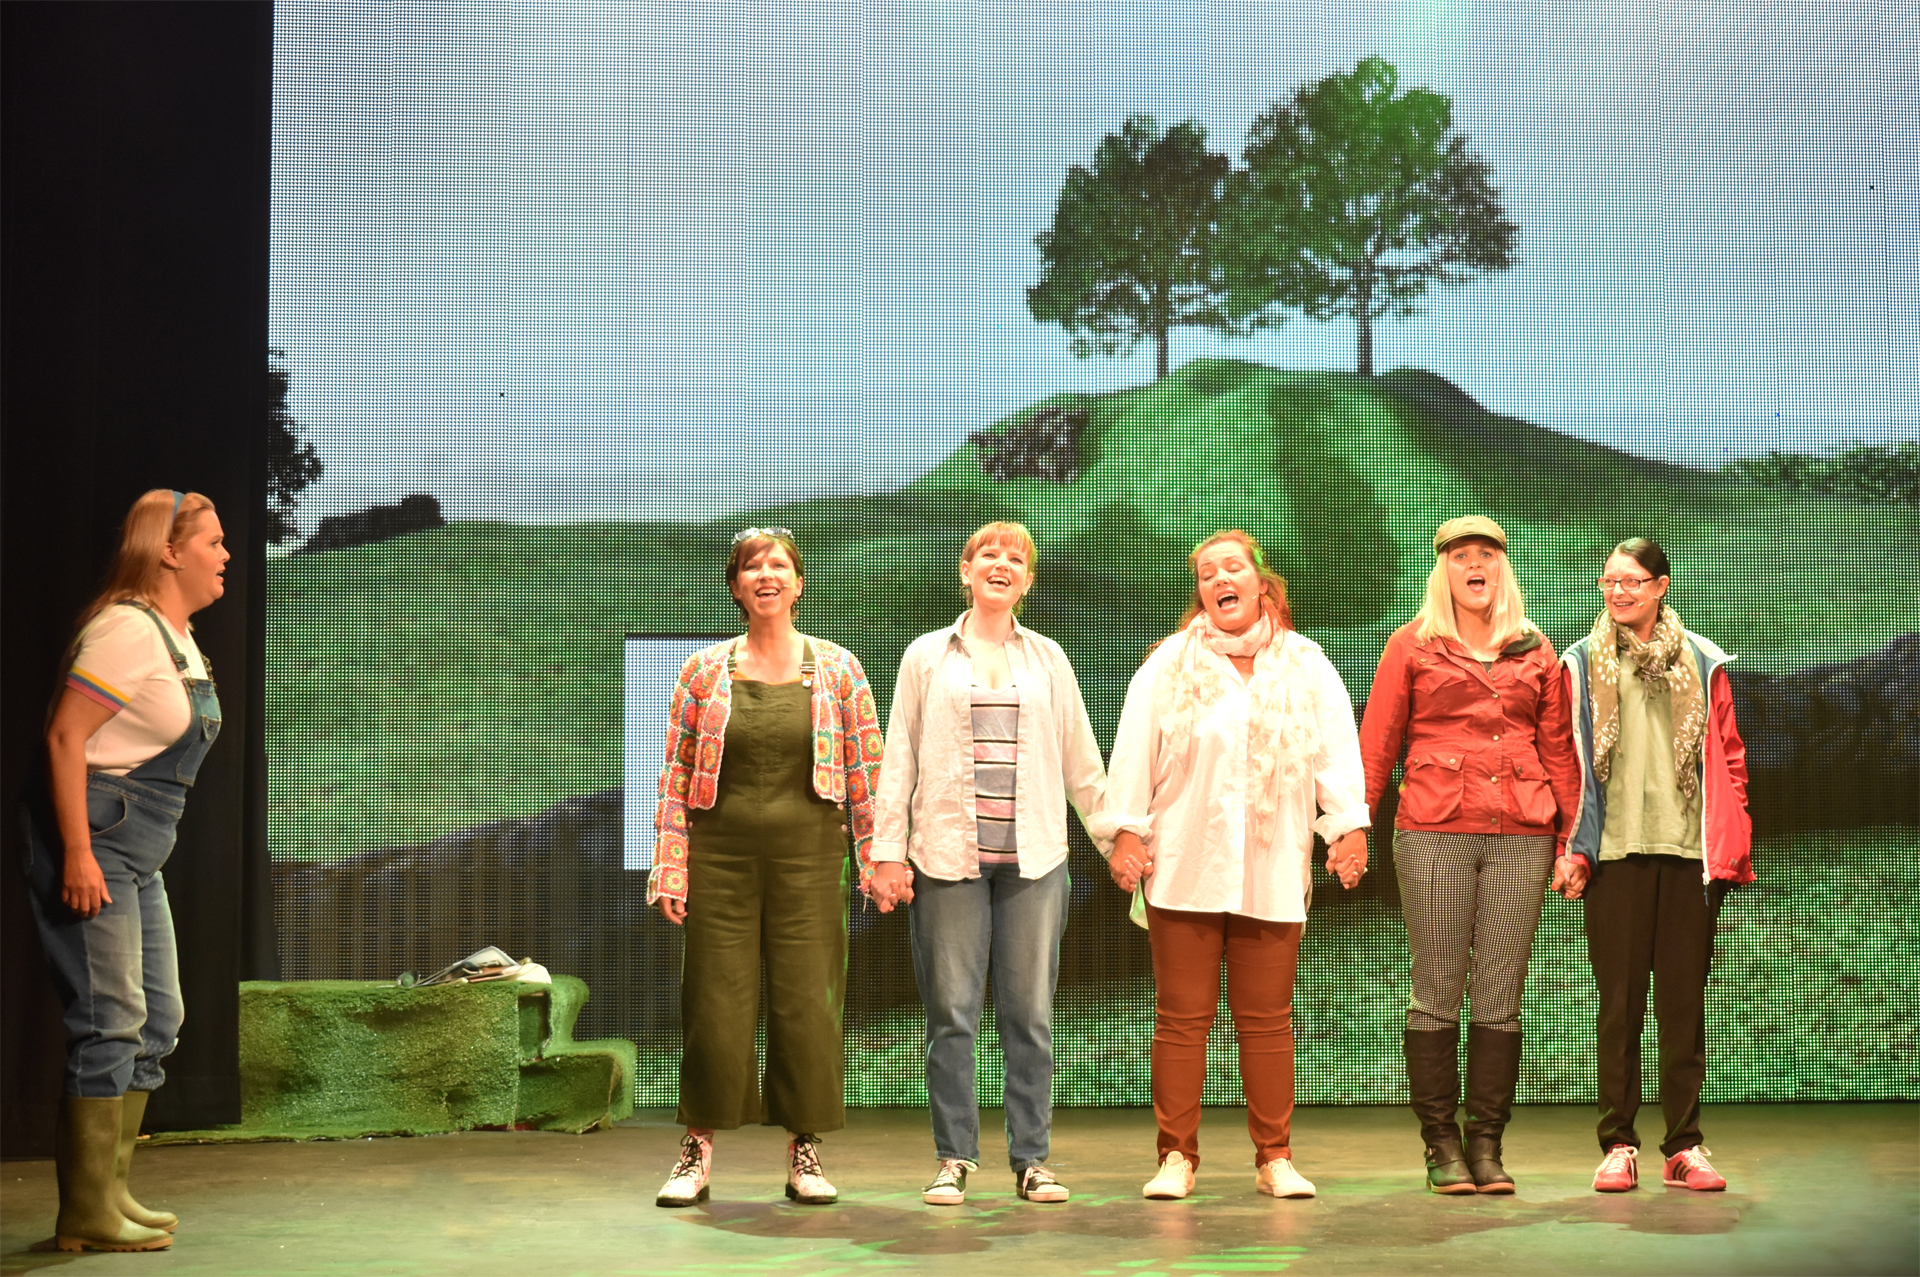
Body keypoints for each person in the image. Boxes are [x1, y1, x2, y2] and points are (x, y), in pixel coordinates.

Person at [1106, 530, 1369, 1202]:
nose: (1219, 579)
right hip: (1185, 863)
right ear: (1201, 592)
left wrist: (1347, 828)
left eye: (1232, 567)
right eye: (1206, 573)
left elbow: (1336, 752)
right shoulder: (1169, 664)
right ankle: (1176, 1156)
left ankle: (1274, 1156)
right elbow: (1133, 751)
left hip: (1271, 864)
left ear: (1260, 582)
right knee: (1182, 1017)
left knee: (1267, 1017)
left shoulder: (1305, 663)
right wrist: (1126, 831)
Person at [870, 522, 1112, 1206]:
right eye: (988, 554)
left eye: (1015, 558)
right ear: (966, 570)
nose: (1001, 564)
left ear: (1027, 581)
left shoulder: (1048, 658)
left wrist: (1115, 840)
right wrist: (887, 851)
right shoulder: (926, 656)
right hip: (948, 858)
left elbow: (1081, 759)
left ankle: (1032, 1159)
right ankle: (953, 1157)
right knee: (952, 1014)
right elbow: (900, 758)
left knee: (1029, 1014)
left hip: (1033, 860)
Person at [648, 528, 885, 1208]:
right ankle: (696, 1151)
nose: (766, 575)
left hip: (810, 858)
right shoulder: (702, 672)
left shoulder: (839, 669)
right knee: (713, 1002)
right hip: (720, 858)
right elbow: (675, 776)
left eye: (779, 564)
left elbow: (867, 773)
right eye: (752, 567)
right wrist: (671, 866)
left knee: (807, 1000)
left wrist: (874, 861)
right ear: (736, 587)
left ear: (799, 584)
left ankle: (804, 1147)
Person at [26, 489, 229, 1252]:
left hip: (139, 850)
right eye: (212, 542)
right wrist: (77, 852)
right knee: (110, 1019)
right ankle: (84, 1210)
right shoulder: (126, 630)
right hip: (97, 839)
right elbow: (64, 737)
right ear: (169, 551)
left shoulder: (177, 638)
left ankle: (109, 1189)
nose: (226, 556)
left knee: (159, 1018)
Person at [1358, 516, 1581, 1195]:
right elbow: (1378, 741)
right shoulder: (1412, 644)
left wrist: (1573, 840)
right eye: (1460, 556)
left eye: (1486, 555)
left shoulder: (1535, 649)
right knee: (1437, 987)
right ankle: (1441, 1143)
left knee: (1501, 992)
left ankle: (1486, 1143)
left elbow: (1558, 750)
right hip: (1434, 828)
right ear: (1444, 570)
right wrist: (1353, 826)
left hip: (1522, 831)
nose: (1474, 565)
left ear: (1501, 567)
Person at [1559, 537, 1753, 1194]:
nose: (1618, 592)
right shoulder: (1583, 662)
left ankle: (1684, 1146)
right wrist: (1572, 846)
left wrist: (1733, 832)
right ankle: (1618, 1143)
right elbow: (1569, 759)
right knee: (1619, 1006)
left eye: (1632, 581)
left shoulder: (1701, 659)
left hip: (1687, 852)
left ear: (1661, 586)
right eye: (1609, 581)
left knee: (1681, 1006)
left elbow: (1729, 755)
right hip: (1615, 853)